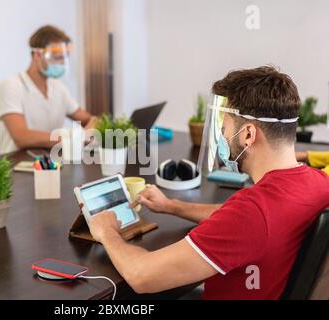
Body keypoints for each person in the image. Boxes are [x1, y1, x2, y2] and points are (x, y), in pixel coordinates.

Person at [88, 66, 329, 300]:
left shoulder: (252, 212)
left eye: (224, 129)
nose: (223, 138)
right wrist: (171, 205)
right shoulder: (319, 183)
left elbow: (142, 275)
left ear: (247, 134)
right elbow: (234, 218)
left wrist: (107, 233)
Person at [0, 25, 96, 155]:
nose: (62, 63)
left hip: (50, 162)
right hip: (16, 166)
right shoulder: (10, 86)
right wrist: (73, 138)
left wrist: (94, 126)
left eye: (64, 58)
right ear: (37, 55)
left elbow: (89, 119)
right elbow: (21, 137)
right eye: (57, 57)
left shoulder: (58, 86)